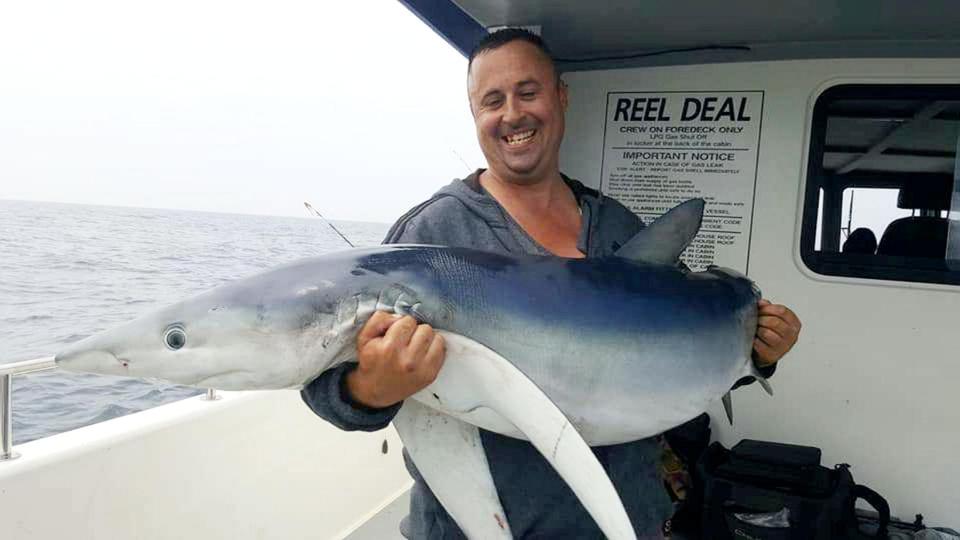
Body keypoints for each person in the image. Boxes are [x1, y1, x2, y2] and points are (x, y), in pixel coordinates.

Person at [301, 28, 802, 539]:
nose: (512, 114)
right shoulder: (435, 234)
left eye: (528, 92)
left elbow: (682, 354)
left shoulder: (617, 228)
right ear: (475, 117)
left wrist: (759, 353)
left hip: (624, 522)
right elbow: (326, 386)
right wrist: (370, 390)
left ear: (560, 96)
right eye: (492, 101)